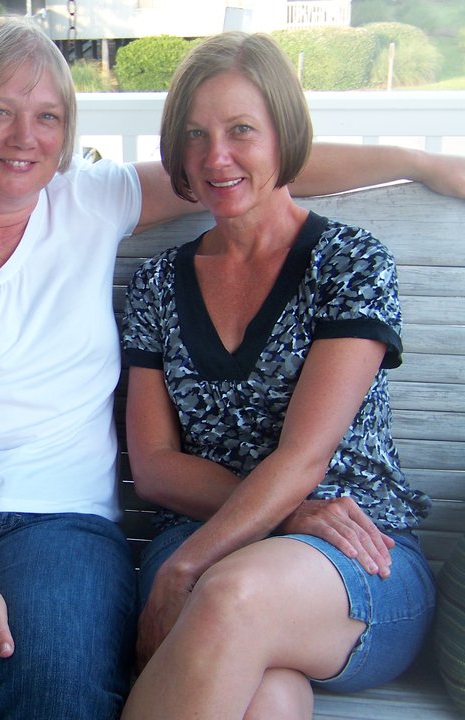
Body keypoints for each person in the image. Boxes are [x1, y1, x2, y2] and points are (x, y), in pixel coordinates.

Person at [0, 17, 465, 720]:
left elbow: (251, 164)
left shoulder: (93, 203)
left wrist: (420, 164)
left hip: (99, 526)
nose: (24, 136)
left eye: (47, 116)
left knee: (69, 692)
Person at [120, 32, 438, 720]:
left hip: (355, 552)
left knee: (230, 595)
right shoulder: (156, 286)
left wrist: (185, 568)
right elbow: (155, 468)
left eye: (241, 130)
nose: (216, 157)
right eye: (196, 135)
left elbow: (304, 458)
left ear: (283, 135)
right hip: (202, 531)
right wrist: (281, 515)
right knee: (266, 700)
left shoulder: (349, 263)